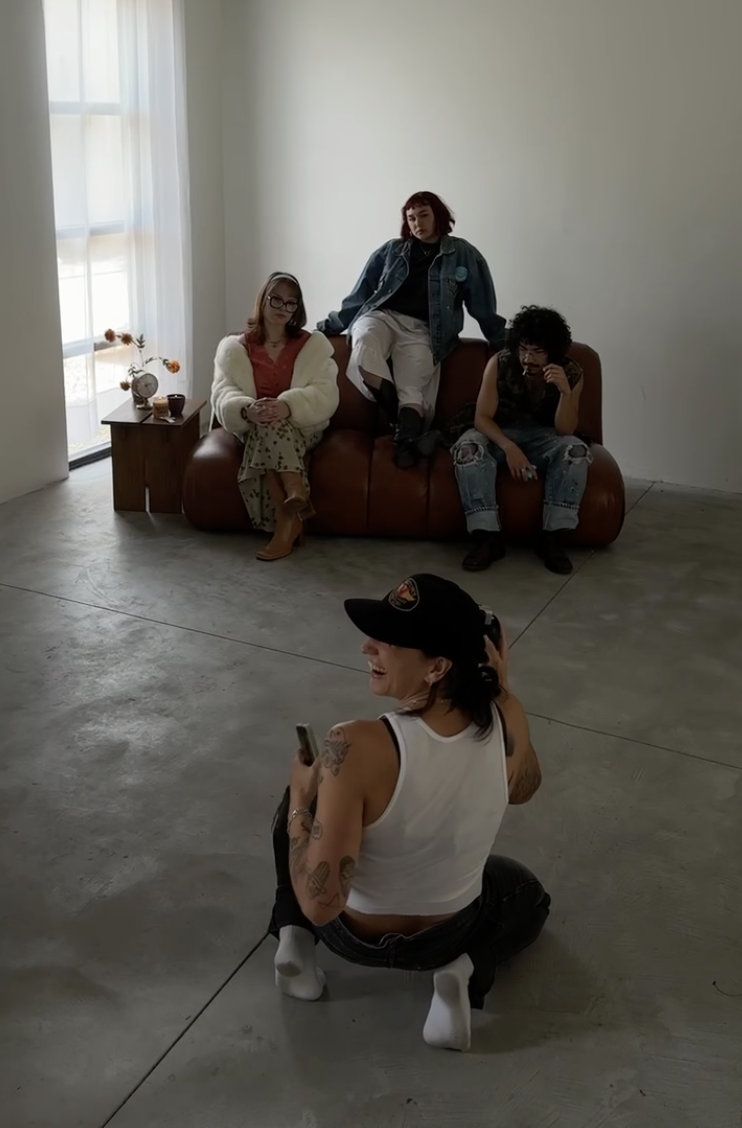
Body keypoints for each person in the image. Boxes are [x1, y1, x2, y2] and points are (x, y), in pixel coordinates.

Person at [269, 573, 549, 1053]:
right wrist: (504, 693)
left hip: (348, 935)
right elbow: (523, 788)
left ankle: (294, 936)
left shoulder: (352, 743)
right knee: (525, 894)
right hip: (447, 936)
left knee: (308, 798)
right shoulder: (508, 716)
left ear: (437, 666)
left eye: (388, 641)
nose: (367, 647)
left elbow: (324, 903)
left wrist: (299, 799)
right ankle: (461, 973)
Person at [318, 192, 505, 469]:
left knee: (412, 387)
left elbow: (482, 302)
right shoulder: (391, 250)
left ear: (438, 215)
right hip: (382, 317)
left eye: (424, 215)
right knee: (365, 345)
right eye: (411, 218)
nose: (417, 223)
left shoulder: (463, 254)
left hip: (424, 330)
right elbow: (361, 294)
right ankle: (408, 429)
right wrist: (333, 324)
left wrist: (501, 340)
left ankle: (407, 444)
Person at [452, 306, 592, 575]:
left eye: (537, 351)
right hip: (498, 432)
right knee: (468, 449)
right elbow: (482, 418)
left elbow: (565, 430)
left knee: (575, 451)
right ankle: (487, 538)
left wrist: (565, 392)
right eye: (524, 349)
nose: (528, 358)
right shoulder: (500, 363)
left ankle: (552, 538)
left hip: (546, 437)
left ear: (553, 350)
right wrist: (509, 446)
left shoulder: (572, 372)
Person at [211, 273, 339, 561]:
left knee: (270, 424)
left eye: (291, 303)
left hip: (303, 426)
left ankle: (287, 518)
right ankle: (292, 506)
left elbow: (326, 393)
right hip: (253, 425)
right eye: (277, 299)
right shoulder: (236, 348)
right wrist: (246, 409)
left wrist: (289, 406)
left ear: (297, 309)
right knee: (265, 425)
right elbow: (222, 391)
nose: (283, 307)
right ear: (263, 300)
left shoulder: (311, 345)